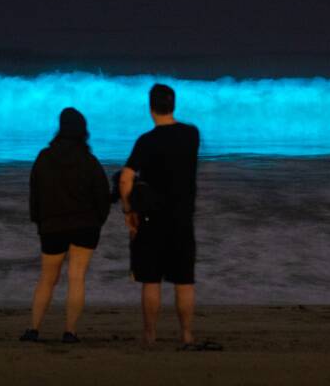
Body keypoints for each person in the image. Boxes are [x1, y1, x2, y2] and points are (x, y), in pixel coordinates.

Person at [119, 83, 201, 347]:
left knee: (151, 280)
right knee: (184, 281)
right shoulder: (191, 135)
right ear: (173, 105)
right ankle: (187, 335)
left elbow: (125, 179)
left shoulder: (146, 141)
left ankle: (150, 335)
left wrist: (128, 210)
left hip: (151, 219)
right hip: (182, 218)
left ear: (150, 108)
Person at [22, 107, 112, 343]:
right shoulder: (89, 161)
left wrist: (40, 221)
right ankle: (70, 331)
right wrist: (98, 221)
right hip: (85, 225)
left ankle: (33, 329)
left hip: (52, 226)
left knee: (47, 278)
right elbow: (102, 196)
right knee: (76, 278)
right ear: (83, 131)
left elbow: (35, 194)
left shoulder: (44, 157)